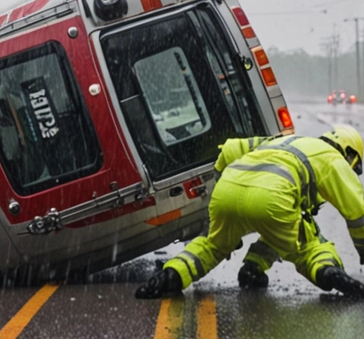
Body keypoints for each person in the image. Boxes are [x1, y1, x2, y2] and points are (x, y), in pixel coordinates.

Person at [135, 125, 364, 299]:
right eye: (356, 166)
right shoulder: (333, 159)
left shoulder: (282, 140)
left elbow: (230, 148)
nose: (354, 170)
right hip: (272, 199)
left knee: (213, 246)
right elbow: (358, 214)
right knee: (307, 242)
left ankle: (172, 275)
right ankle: (328, 272)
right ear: (350, 153)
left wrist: (219, 185)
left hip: (228, 189)